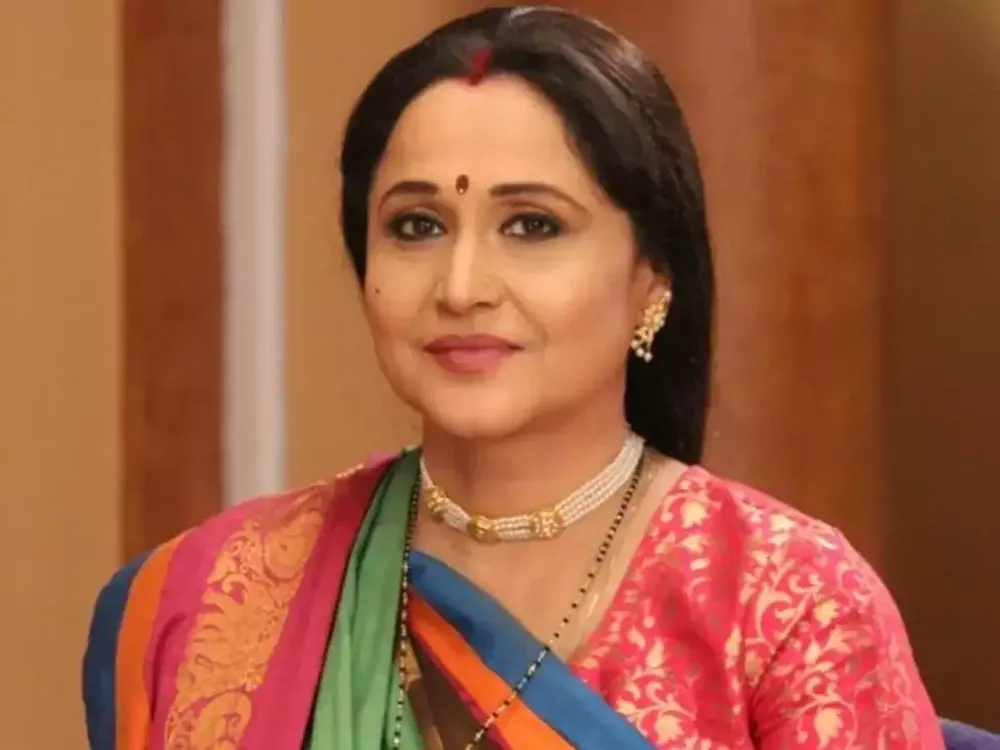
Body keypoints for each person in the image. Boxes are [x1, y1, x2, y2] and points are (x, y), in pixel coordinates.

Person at [82, 6, 945, 749]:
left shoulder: (788, 606)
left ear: (654, 280)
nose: (461, 287)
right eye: (417, 226)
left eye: (532, 226)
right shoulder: (212, 603)